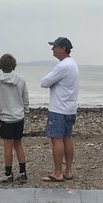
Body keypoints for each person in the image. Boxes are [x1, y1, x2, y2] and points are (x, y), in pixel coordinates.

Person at [40, 37, 79, 182]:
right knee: (67, 138)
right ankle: (68, 171)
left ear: (63, 49)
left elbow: (44, 82)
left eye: (55, 46)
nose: (52, 49)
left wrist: (53, 84)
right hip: (70, 108)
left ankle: (58, 173)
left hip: (59, 108)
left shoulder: (62, 66)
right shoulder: (72, 64)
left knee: (57, 139)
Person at [0, 53, 29, 183]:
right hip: (18, 117)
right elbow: (25, 98)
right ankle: (23, 173)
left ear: (0, 66)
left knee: (7, 146)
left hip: (6, 118)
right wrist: (24, 111)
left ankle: (8, 173)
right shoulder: (21, 80)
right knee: (18, 144)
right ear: (13, 65)